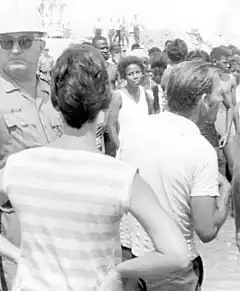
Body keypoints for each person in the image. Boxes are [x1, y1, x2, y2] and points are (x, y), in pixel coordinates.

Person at [0, 43, 190, 291]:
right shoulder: (121, 176)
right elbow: (177, 255)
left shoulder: (19, 166)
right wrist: (119, 273)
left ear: (55, 102)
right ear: (105, 101)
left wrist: (17, 255)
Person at [118, 60, 231, 290]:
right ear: (203, 101)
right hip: (173, 270)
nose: (222, 101)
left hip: (131, 262)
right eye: (219, 94)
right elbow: (206, 230)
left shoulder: (133, 132)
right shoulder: (199, 149)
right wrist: (226, 195)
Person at [0, 6, 63, 291]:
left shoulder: (57, 94)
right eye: (5, 42)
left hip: (65, 222)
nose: (15, 50)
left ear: (41, 45)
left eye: (25, 41)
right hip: (18, 231)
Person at [106, 55, 153, 154]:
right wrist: (120, 148)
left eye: (138, 72)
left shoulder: (145, 94)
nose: (135, 76)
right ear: (124, 76)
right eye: (130, 74)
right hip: (125, 150)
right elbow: (111, 126)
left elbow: (150, 120)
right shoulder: (118, 96)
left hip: (144, 149)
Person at [210, 46, 240, 176]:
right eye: (225, 62)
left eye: (229, 62)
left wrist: (236, 128)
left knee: (233, 164)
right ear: (214, 61)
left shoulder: (231, 79)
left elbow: (232, 105)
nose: (228, 65)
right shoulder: (209, 79)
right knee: (219, 162)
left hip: (227, 122)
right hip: (212, 121)